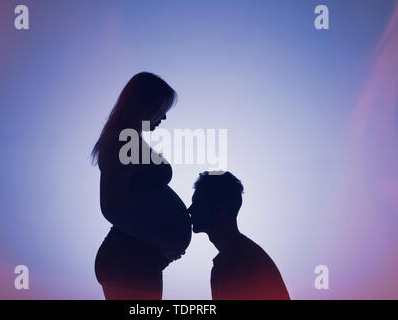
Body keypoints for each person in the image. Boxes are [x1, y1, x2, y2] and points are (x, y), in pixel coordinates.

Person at [92, 72, 191, 299]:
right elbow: (111, 206)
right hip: (127, 260)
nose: (164, 118)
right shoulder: (120, 140)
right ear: (147, 105)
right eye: (162, 109)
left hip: (135, 259)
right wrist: (161, 239)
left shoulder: (130, 140)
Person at [188, 171, 290, 300]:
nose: (190, 209)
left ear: (221, 209)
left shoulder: (244, 262)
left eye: (197, 203)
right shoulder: (225, 263)